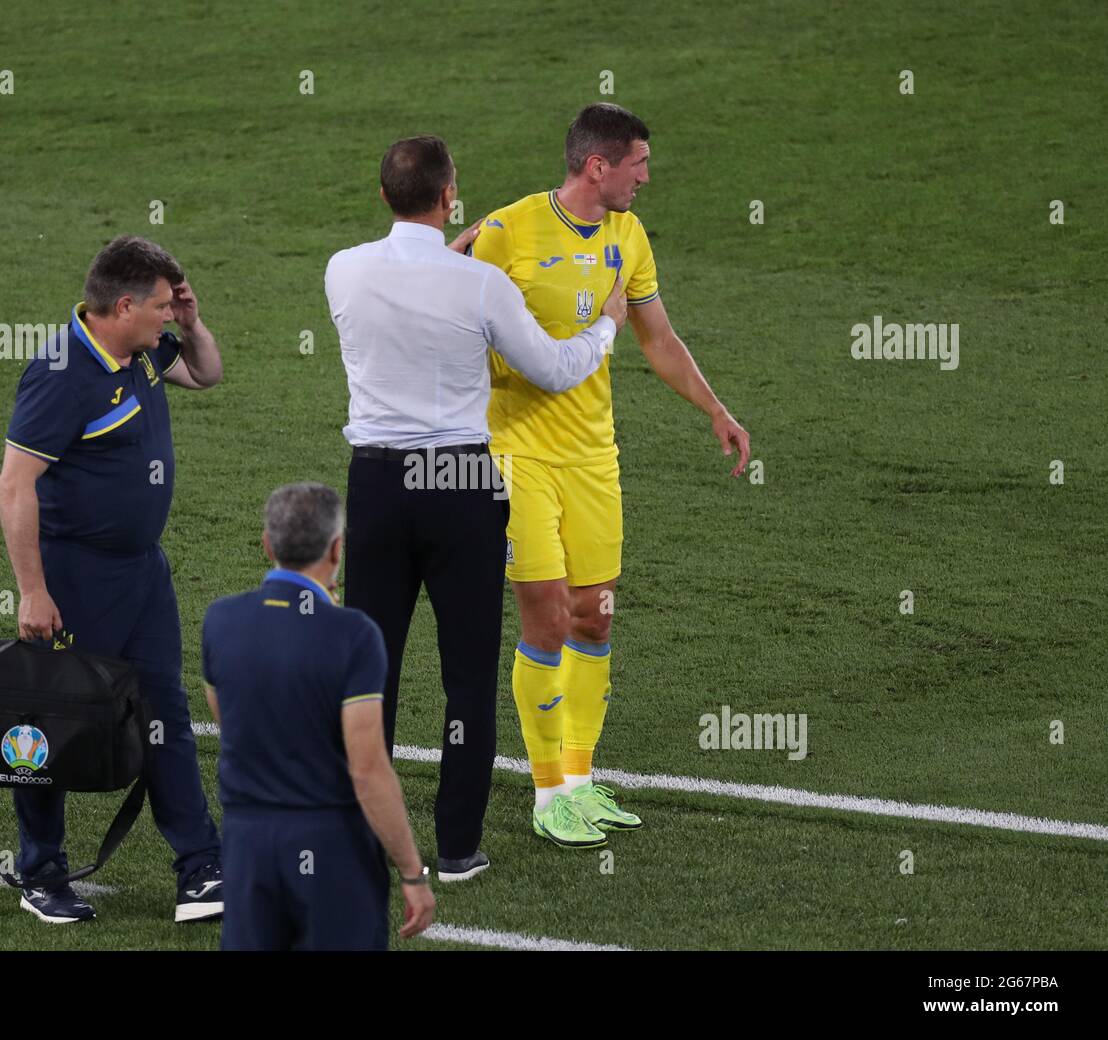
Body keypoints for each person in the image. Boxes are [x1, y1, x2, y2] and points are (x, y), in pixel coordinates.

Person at [325, 135, 626, 881]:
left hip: (379, 485)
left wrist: (446, 257)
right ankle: (456, 847)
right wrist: (608, 324)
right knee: (467, 673)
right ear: (449, 195)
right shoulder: (481, 286)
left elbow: (409, 285)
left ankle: (366, 839)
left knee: (373, 667)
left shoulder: (343, 271)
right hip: (461, 483)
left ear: (383, 194)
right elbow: (554, 370)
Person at [472, 103, 752, 848]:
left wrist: (714, 409)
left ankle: (580, 778)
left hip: (594, 457)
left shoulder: (628, 236)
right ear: (599, 165)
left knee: (594, 615)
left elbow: (657, 337)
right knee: (547, 617)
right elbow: (438, 307)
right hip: (515, 455)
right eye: (639, 163)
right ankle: (546, 793)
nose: (646, 177)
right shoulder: (509, 230)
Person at [0, 235, 225, 922]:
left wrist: (191, 324)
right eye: (160, 306)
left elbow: (207, 374)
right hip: (76, 576)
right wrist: (34, 590)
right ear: (122, 305)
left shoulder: (137, 349)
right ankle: (39, 871)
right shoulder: (63, 371)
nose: (167, 316)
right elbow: (15, 484)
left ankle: (200, 870)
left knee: (165, 715)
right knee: (53, 720)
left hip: (141, 574)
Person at [203, 483, 435, 950]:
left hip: (248, 846)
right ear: (336, 548)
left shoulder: (221, 621)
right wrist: (412, 870)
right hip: (331, 846)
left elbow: (231, 721)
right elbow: (368, 770)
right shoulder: (353, 635)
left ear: (268, 545)